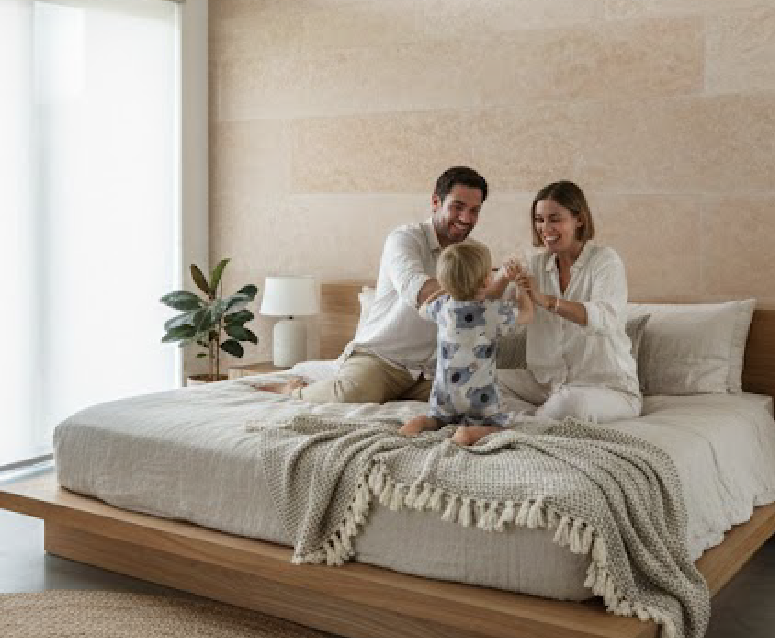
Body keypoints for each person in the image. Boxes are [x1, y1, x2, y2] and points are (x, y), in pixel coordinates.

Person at [254, 166, 490, 402]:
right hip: (382, 359)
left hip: (431, 370)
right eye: (457, 207)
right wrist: (475, 292)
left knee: (471, 398)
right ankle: (294, 389)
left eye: (474, 211)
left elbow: (489, 309)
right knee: (350, 395)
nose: (466, 219)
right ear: (436, 202)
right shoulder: (405, 239)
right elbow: (415, 289)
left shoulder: (476, 254)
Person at [497, 180, 641, 424]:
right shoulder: (535, 265)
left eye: (555, 219)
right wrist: (502, 277)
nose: (545, 227)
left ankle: (517, 426)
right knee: (483, 380)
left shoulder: (605, 260)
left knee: (570, 403)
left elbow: (605, 317)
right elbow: (499, 308)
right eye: (539, 219)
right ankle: (535, 421)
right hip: (546, 386)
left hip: (606, 389)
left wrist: (547, 300)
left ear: (579, 220)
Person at [400, 240, 533, 446]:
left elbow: (422, 307)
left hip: (444, 396)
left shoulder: (442, 307)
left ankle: (422, 421)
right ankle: (469, 434)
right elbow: (526, 314)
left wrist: (445, 289)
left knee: (438, 420)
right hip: (479, 398)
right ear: (486, 280)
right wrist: (521, 288)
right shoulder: (492, 312)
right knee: (500, 427)